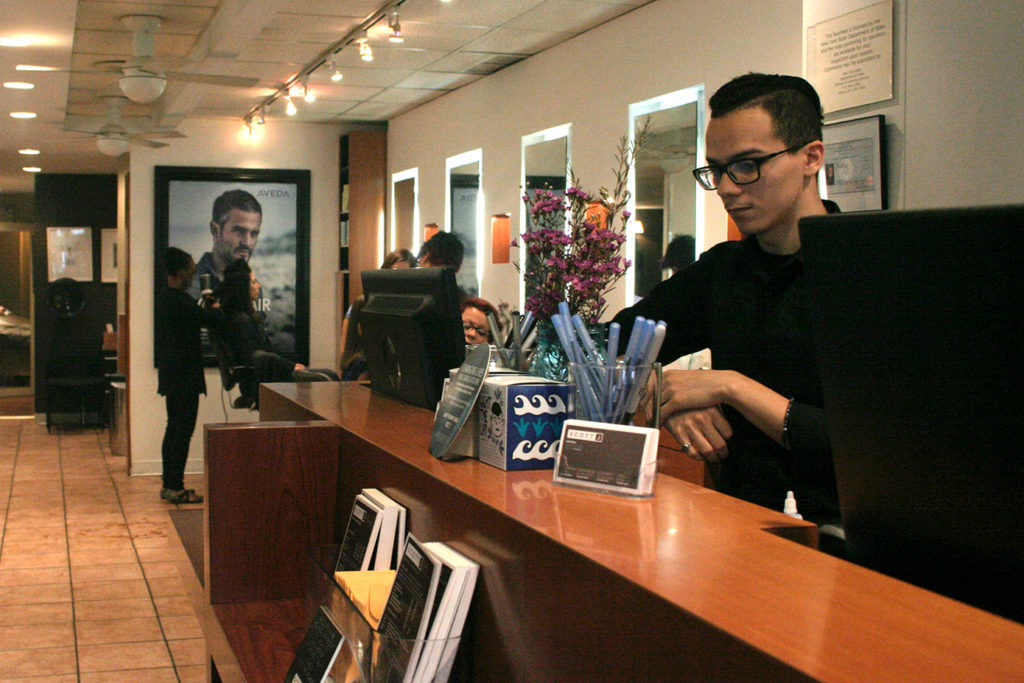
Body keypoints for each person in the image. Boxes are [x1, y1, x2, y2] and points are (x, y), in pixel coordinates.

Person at [612, 73, 841, 526]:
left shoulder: (870, 271)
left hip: (848, 542)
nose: (727, 187)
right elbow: (608, 346)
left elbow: (877, 444)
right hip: (738, 528)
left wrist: (731, 387)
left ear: (811, 157)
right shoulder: (721, 271)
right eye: (716, 169)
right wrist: (664, 396)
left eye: (748, 165)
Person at [217, 260, 337, 401]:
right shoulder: (240, 321)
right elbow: (257, 358)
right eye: (254, 282)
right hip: (265, 379)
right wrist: (290, 367)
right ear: (243, 288)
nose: (258, 286)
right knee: (328, 378)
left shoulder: (241, 318)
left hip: (271, 374)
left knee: (330, 375)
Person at [155, 247, 219, 504]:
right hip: (183, 376)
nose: (192, 277)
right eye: (190, 272)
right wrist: (215, 306)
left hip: (174, 375)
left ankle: (170, 483)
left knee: (175, 429)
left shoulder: (167, 299)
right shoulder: (178, 301)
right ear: (179, 272)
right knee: (181, 431)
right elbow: (211, 319)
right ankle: (175, 487)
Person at [188, 189, 262, 299]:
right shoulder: (190, 286)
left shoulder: (252, 287)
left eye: (254, 234)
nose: (247, 242)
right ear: (215, 230)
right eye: (239, 231)